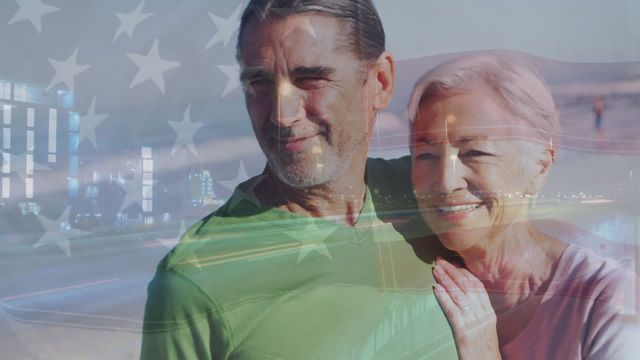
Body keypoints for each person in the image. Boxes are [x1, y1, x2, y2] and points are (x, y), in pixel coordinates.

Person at [141, 1, 456, 358]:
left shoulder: (445, 199)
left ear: (380, 82)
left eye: (310, 80)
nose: (282, 114)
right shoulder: (194, 280)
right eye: (259, 82)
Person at [408, 51, 639, 359]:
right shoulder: (415, 284)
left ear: (540, 165)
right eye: (425, 155)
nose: (446, 182)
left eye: (475, 152)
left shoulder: (605, 298)